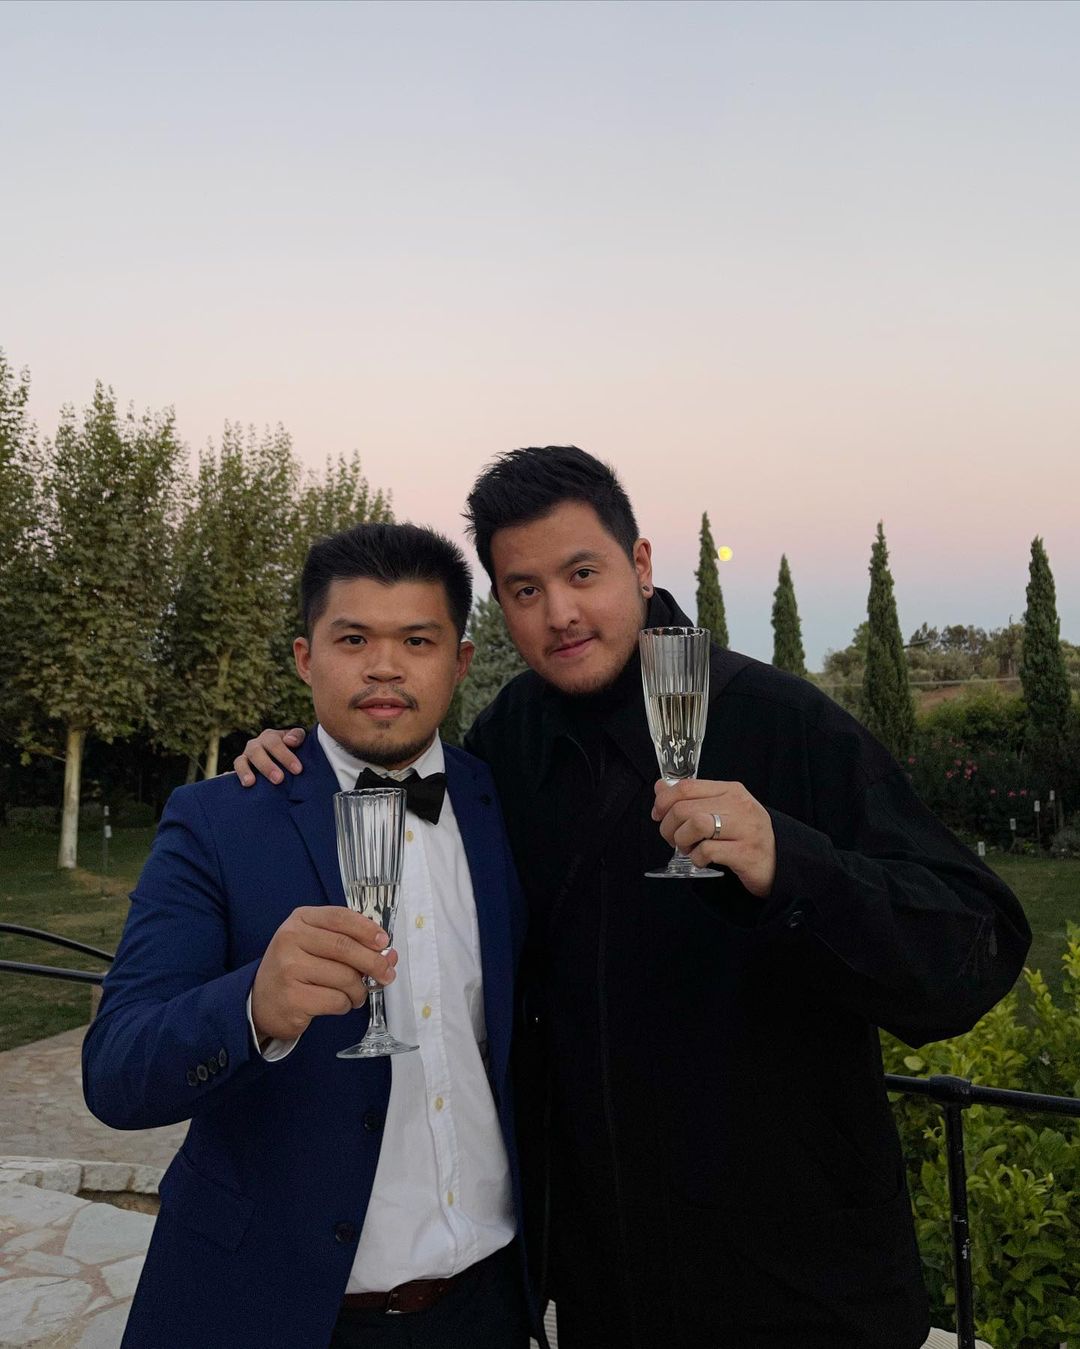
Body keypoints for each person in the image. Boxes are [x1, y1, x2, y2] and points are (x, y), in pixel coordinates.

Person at [237, 447, 1031, 1349]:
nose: (560, 613)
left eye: (583, 573)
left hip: (802, 1288)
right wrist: (302, 759)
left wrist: (791, 863)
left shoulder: (779, 721)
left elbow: (977, 948)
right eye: (525, 589)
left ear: (641, 563)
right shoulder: (510, 740)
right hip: (606, 1290)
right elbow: (409, 803)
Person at [83, 523, 535, 1349]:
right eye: (353, 638)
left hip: (486, 1308)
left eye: (418, 640)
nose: (385, 666)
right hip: (271, 1309)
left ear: (460, 661)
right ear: (304, 657)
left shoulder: (502, 802)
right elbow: (116, 1071)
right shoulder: (218, 820)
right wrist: (250, 1006)